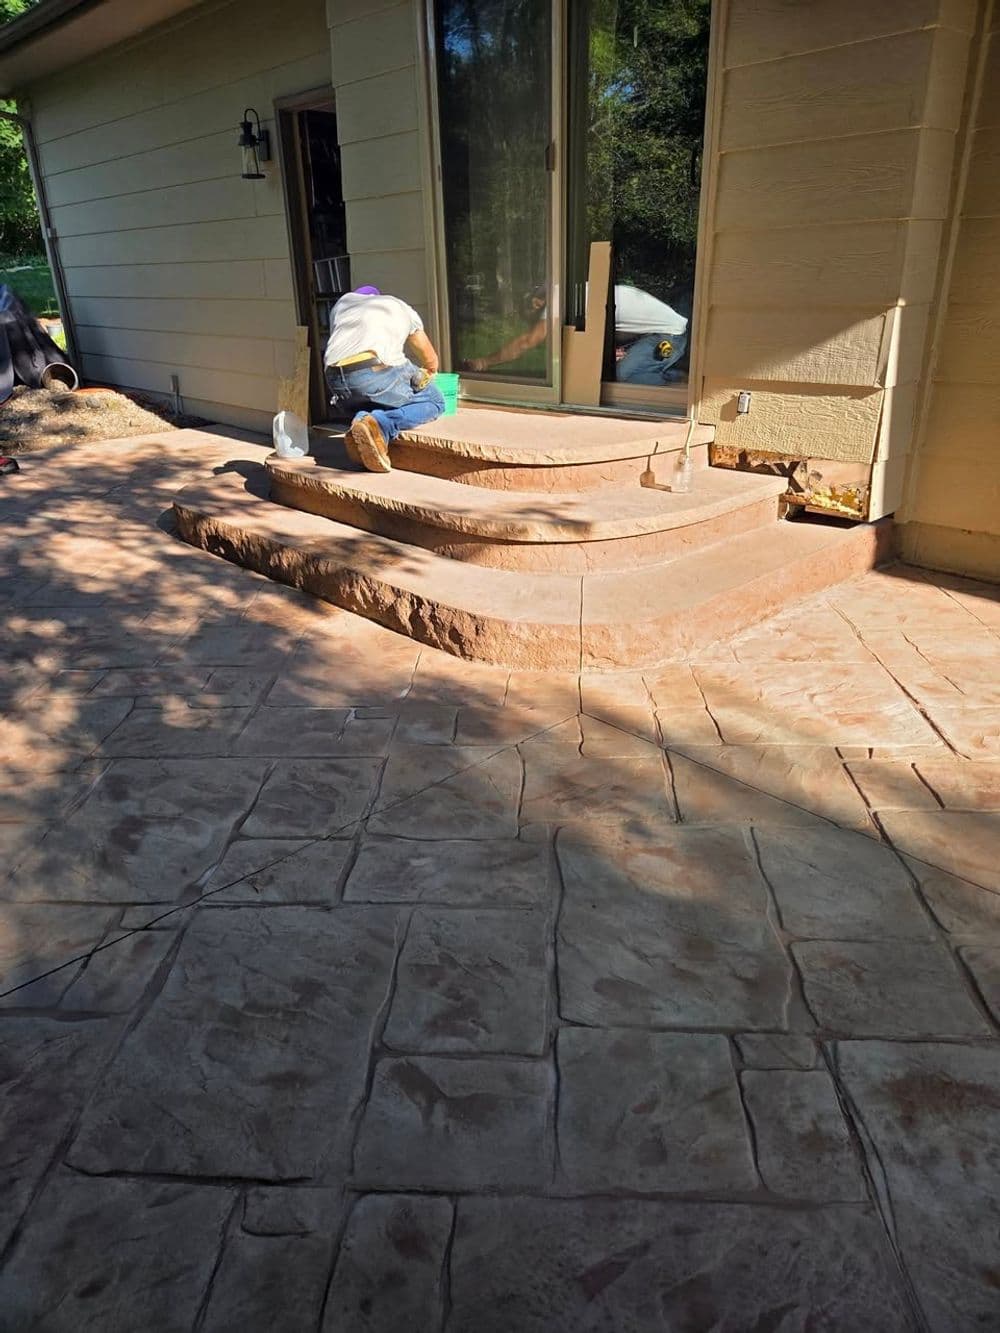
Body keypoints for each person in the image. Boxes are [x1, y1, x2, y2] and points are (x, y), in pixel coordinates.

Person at [462, 283, 688, 386]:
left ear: (537, 302)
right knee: (607, 370)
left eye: (531, 316)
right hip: (646, 336)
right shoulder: (579, 292)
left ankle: (674, 382)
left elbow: (526, 342)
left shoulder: (558, 299)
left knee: (621, 376)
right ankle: (665, 370)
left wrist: (484, 362)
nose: (534, 322)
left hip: (668, 337)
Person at [325, 285, 444, 473]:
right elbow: (430, 359)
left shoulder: (342, 304)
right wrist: (428, 373)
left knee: (373, 398)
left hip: (336, 380)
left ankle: (362, 425)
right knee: (435, 400)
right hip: (373, 370)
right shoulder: (399, 307)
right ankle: (381, 425)